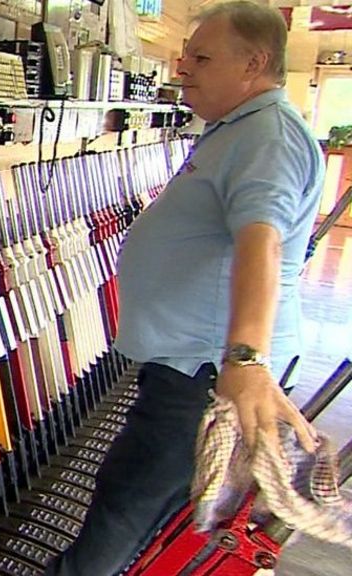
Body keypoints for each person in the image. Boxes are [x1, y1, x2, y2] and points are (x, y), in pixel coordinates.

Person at [45, 2, 324, 575]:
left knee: (129, 505)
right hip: (191, 360)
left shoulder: (266, 138)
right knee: (136, 498)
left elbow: (261, 242)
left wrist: (245, 360)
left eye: (201, 57)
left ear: (255, 63)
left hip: (206, 369)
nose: (181, 69)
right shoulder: (239, 129)